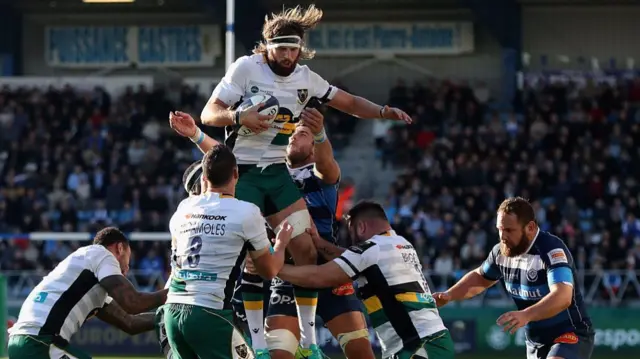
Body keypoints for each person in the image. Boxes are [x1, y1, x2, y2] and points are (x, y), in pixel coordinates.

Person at [200, 5, 411, 357]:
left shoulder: (305, 77)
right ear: (266, 47)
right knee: (254, 259)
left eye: (292, 48)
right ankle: (255, 343)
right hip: (245, 172)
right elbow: (209, 113)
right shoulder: (245, 67)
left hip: (277, 175)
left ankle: (309, 345)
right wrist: (239, 115)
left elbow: (347, 101)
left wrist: (383, 111)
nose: (286, 55)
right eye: (280, 48)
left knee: (306, 250)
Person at [169, 110, 375, 359]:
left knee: (361, 352)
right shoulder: (267, 175)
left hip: (328, 273)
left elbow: (327, 160)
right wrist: (196, 135)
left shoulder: (321, 174)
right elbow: (227, 161)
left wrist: (319, 132)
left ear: (313, 147)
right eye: (289, 133)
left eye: (300, 134)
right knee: (279, 355)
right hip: (286, 279)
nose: (291, 138)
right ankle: (286, 345)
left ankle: (307, 344)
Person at [163, 144, 294, 359]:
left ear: (204, 177)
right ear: (235, 174)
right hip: (208, 312)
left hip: (173, 311)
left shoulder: (184, 207)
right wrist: (281, 242)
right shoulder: (246, 212)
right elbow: (268, 270)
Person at [276, 200, 455, 359]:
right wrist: (320, 243)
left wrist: (273, 266)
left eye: (351, 231)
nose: (352, 239)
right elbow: (353, 258)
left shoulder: (371, 249)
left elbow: (318, 277)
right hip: (426, 341)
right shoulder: (400, 243)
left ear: (361, 227)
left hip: (419, 345)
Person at [433, 197, 595, 359]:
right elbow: (480, 278)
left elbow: (563, 296)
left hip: (569, 333)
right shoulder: (501, 253)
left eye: (509, 230)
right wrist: (449, 295)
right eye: (499, 229)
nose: (502, 236)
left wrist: (526, 315)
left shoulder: (551, 250)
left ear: (530, 227)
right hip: (535, 341)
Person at [8, 227, 166, 359]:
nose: (127, 268)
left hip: (22, 341)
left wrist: (166, 316)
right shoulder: (102, 254)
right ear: (119, 248)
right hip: (40, 342)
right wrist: (175, 294)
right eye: (127, 259)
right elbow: (133, 302)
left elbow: (129, 322)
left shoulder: (87, 275)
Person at [155, 159, 207, 359]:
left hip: (172, 311)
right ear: (203, 182)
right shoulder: (208, 210)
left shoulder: (182, 212)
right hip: (195, 308)